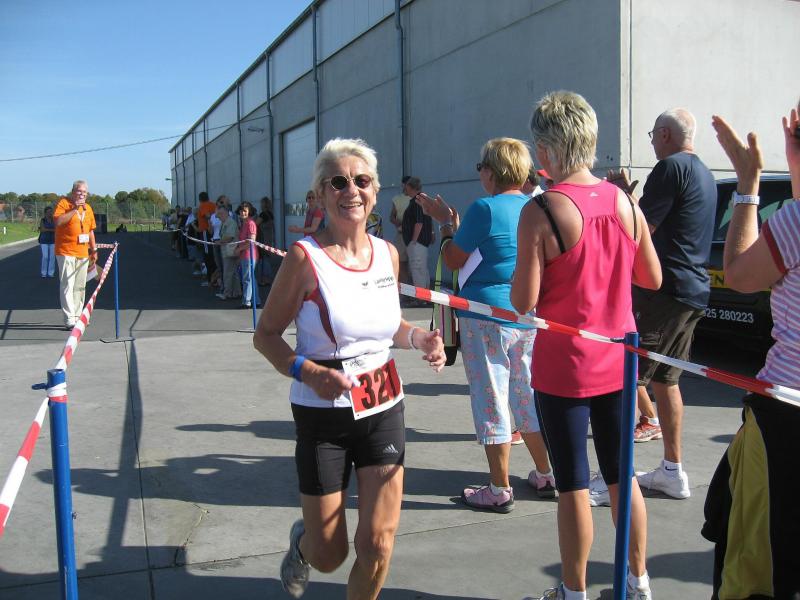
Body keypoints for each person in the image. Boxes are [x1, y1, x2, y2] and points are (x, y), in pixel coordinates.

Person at [253, 137, 445, 600]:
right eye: (338, 182)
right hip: (323, 415)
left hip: (383, 405)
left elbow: (385, 325)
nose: (351, 190)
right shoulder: (305, 258)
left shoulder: (387, 253)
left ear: (375, 191)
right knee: (329, 554)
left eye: (361, 180)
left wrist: (419, 338)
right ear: (319, 194)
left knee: (377, 544)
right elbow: (267, 336)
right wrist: (307, 371)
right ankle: (305, 543)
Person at [511, 91, 661, 599]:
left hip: (565, 368)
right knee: (622, 477)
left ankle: (573, 592)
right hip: (619, 361)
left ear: (545, 149)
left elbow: (523, 301)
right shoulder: (624, 203)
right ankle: (637, 583)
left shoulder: (542, 210)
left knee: (573, 483)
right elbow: (652, 277)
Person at [417, 138, 556, 511]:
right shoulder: (535, 206)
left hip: (484, 315)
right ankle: (546, 472)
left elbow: (453, 257)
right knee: (525, 393)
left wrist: (447, 226)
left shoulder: (484, 208)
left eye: (481, 167)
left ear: (491, 172)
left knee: (490, 397)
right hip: (526, 313)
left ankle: (499, 487)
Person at [701, 109, 800, 599]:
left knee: (759, 564)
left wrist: (747, 186)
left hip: (786, 416)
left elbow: (739, 275)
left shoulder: (795, 221)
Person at [608, 108, 717, 500]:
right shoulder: (703, 172)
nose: (652, 141)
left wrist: (621, 201)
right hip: (690, 291)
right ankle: (672, 470)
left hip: (663, 292)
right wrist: (631, 198)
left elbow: (641, 230)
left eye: (654, 134)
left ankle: (614, 479)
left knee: (625, 380)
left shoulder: (670, 168)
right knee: (666, 380)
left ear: (667, 134)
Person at [54, 180, 98, 329]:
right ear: (73, 192)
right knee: (68, 284)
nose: (82, 194)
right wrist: (74, 209)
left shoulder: (88, 208)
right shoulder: (63, 203)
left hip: (82, 252)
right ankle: (69, 318)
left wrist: (94, 249)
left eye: (84, 192)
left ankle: (78, 315)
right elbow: (58, 222)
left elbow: (90, 230)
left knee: (80, 285)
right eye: (79, 191)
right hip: (66, 251)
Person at [401, 177, 434, 302]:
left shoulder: (417, 201)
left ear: (410, 187)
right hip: (420, 242)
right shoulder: (422, 200)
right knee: (422, 269)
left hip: (417, 242)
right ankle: (425, 297)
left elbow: (419, 222)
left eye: (406, 187)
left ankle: (421, 299)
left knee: (417, 269)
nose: (405, 189)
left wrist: (413, 241)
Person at [390, 176, 412, 285]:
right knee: (401, 262)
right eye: (407, 184)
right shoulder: (397, 199)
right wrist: (396, 222)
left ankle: (420, 291)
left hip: (415, 236)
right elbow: (391, 217)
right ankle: (406, 289)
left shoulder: (417, 198)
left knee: (416, 265)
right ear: (403, 185)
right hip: (401, 235)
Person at [237, 201, 260, 309]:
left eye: (245, 211)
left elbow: (251, 241)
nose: (243, 213)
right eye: (241, 211)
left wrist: (239, 249)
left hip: (249, 255)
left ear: (249, 212)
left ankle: (246, 301)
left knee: (247, 279)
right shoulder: (243, 224)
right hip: (244, 255)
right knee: (251, 278)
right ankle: (256, 300)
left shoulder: (250, 224)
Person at [217, 203, 241, 300]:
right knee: (233, 272)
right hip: (229, 250)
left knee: (228, 273)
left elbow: (230, 236)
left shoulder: (230, 222)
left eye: (221, 214)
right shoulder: (225, 222)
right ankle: (236, 292)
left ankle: (227, 293)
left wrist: (219, 241)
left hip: (230, 251)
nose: (219, 216)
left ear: (227, 213)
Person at [196, 192, 217, 288]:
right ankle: (214, 278)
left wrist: (209, 221)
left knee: (208, 255)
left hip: (205, 231)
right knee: (212, 254)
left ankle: (210, 279)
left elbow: (207, 215)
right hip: (212, 231)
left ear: (200, 199)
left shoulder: (203, 206)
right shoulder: (213, 205)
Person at [257, 196, 276, 285]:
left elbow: (256, 224)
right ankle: (267, 278)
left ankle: (264, 278)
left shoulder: (263, 215)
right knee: (267, 258)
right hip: (269, 238)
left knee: (263, 259)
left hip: (262, 238)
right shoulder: (271, 214)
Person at [38, 206, 56, 278]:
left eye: (51, 212)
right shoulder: (43, 220)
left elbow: (56, 229)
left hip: (53, 240)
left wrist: (47, 229)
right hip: (44, 241)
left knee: (52, 257)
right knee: (45, 257)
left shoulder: (54, 220)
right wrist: (52, 230)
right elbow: (42, 230)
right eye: (48, 212)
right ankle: (44, 272)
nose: (50, 213)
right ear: (45, 213)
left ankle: (51, 272)